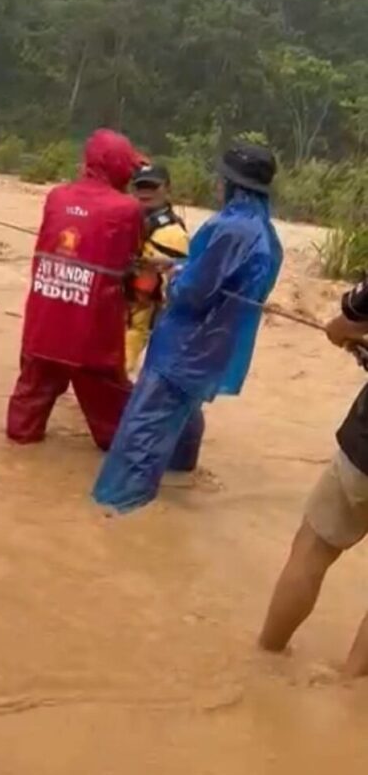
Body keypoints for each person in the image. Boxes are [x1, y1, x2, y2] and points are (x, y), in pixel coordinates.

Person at [94, 142, 283, 512]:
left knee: (143, 428)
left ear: (233, 184)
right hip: (216, 347)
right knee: (183, 409)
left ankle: (119, 505)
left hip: (183, 346)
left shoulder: (229, 228)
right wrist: (182, 268)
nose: (217, 184)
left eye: (222, 179)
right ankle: (180, 477)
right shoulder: (267, 234)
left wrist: (177, 277)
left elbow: (192, 294)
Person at [6, 129, 145, 452]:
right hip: (92, 331)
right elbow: (132, 256)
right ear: (119, 165)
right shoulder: (127, 209)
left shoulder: (56, 196)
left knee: (23, 420)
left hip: (44, 322)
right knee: (115, 432)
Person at [259, 279, 368, 677]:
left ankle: (265, 659)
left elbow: (344, 325)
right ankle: (349, 685)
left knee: (313, 549)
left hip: (364, 450)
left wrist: (348, 330)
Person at [126, 163, 189, 375]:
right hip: (115, 307)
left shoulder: (173, 233)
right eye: (141, 186)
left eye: (152, 187)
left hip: (142, 313)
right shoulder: (124, 219)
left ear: (167, 188)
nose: (145, 192)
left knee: (121, 368)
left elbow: (178, 285)